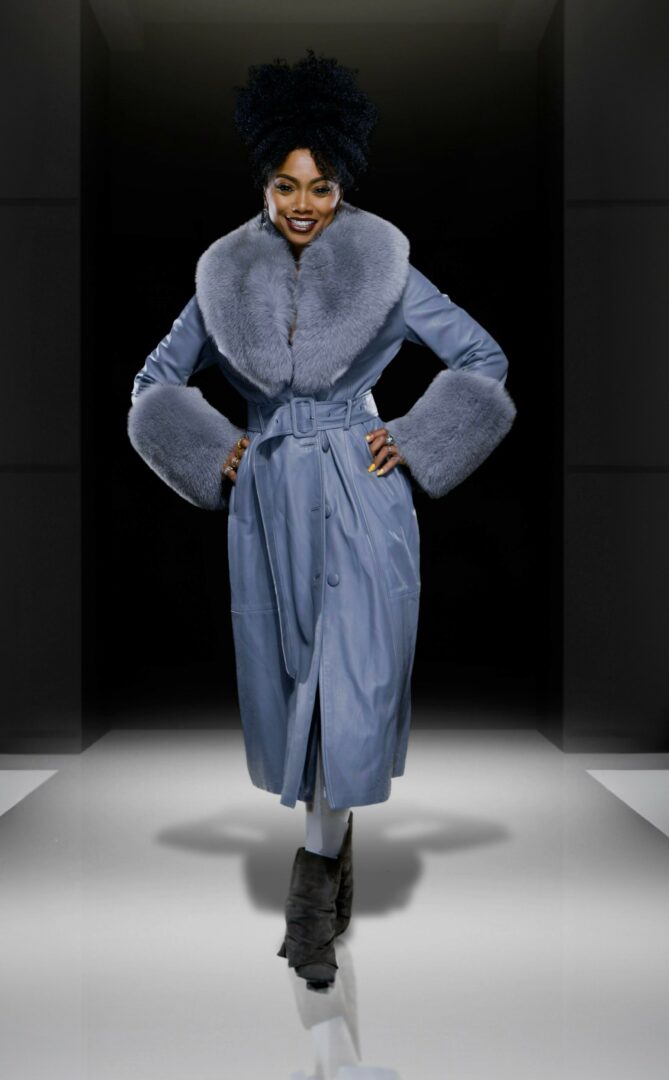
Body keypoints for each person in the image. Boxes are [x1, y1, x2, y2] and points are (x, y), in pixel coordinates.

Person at [127, 49, 516, 992]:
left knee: (352, 684)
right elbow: (155, 383)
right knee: (296, 685)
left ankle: (307, 906)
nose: (302, 204)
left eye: (321, 186)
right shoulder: (224, 273)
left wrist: (415, 439)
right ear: (263, 183)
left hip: (361, 494)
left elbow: (481, 359)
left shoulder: (385, 265)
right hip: (268, 507)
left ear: (343, 184)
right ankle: (332, 850)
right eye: (285, 185)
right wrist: (212, 449)